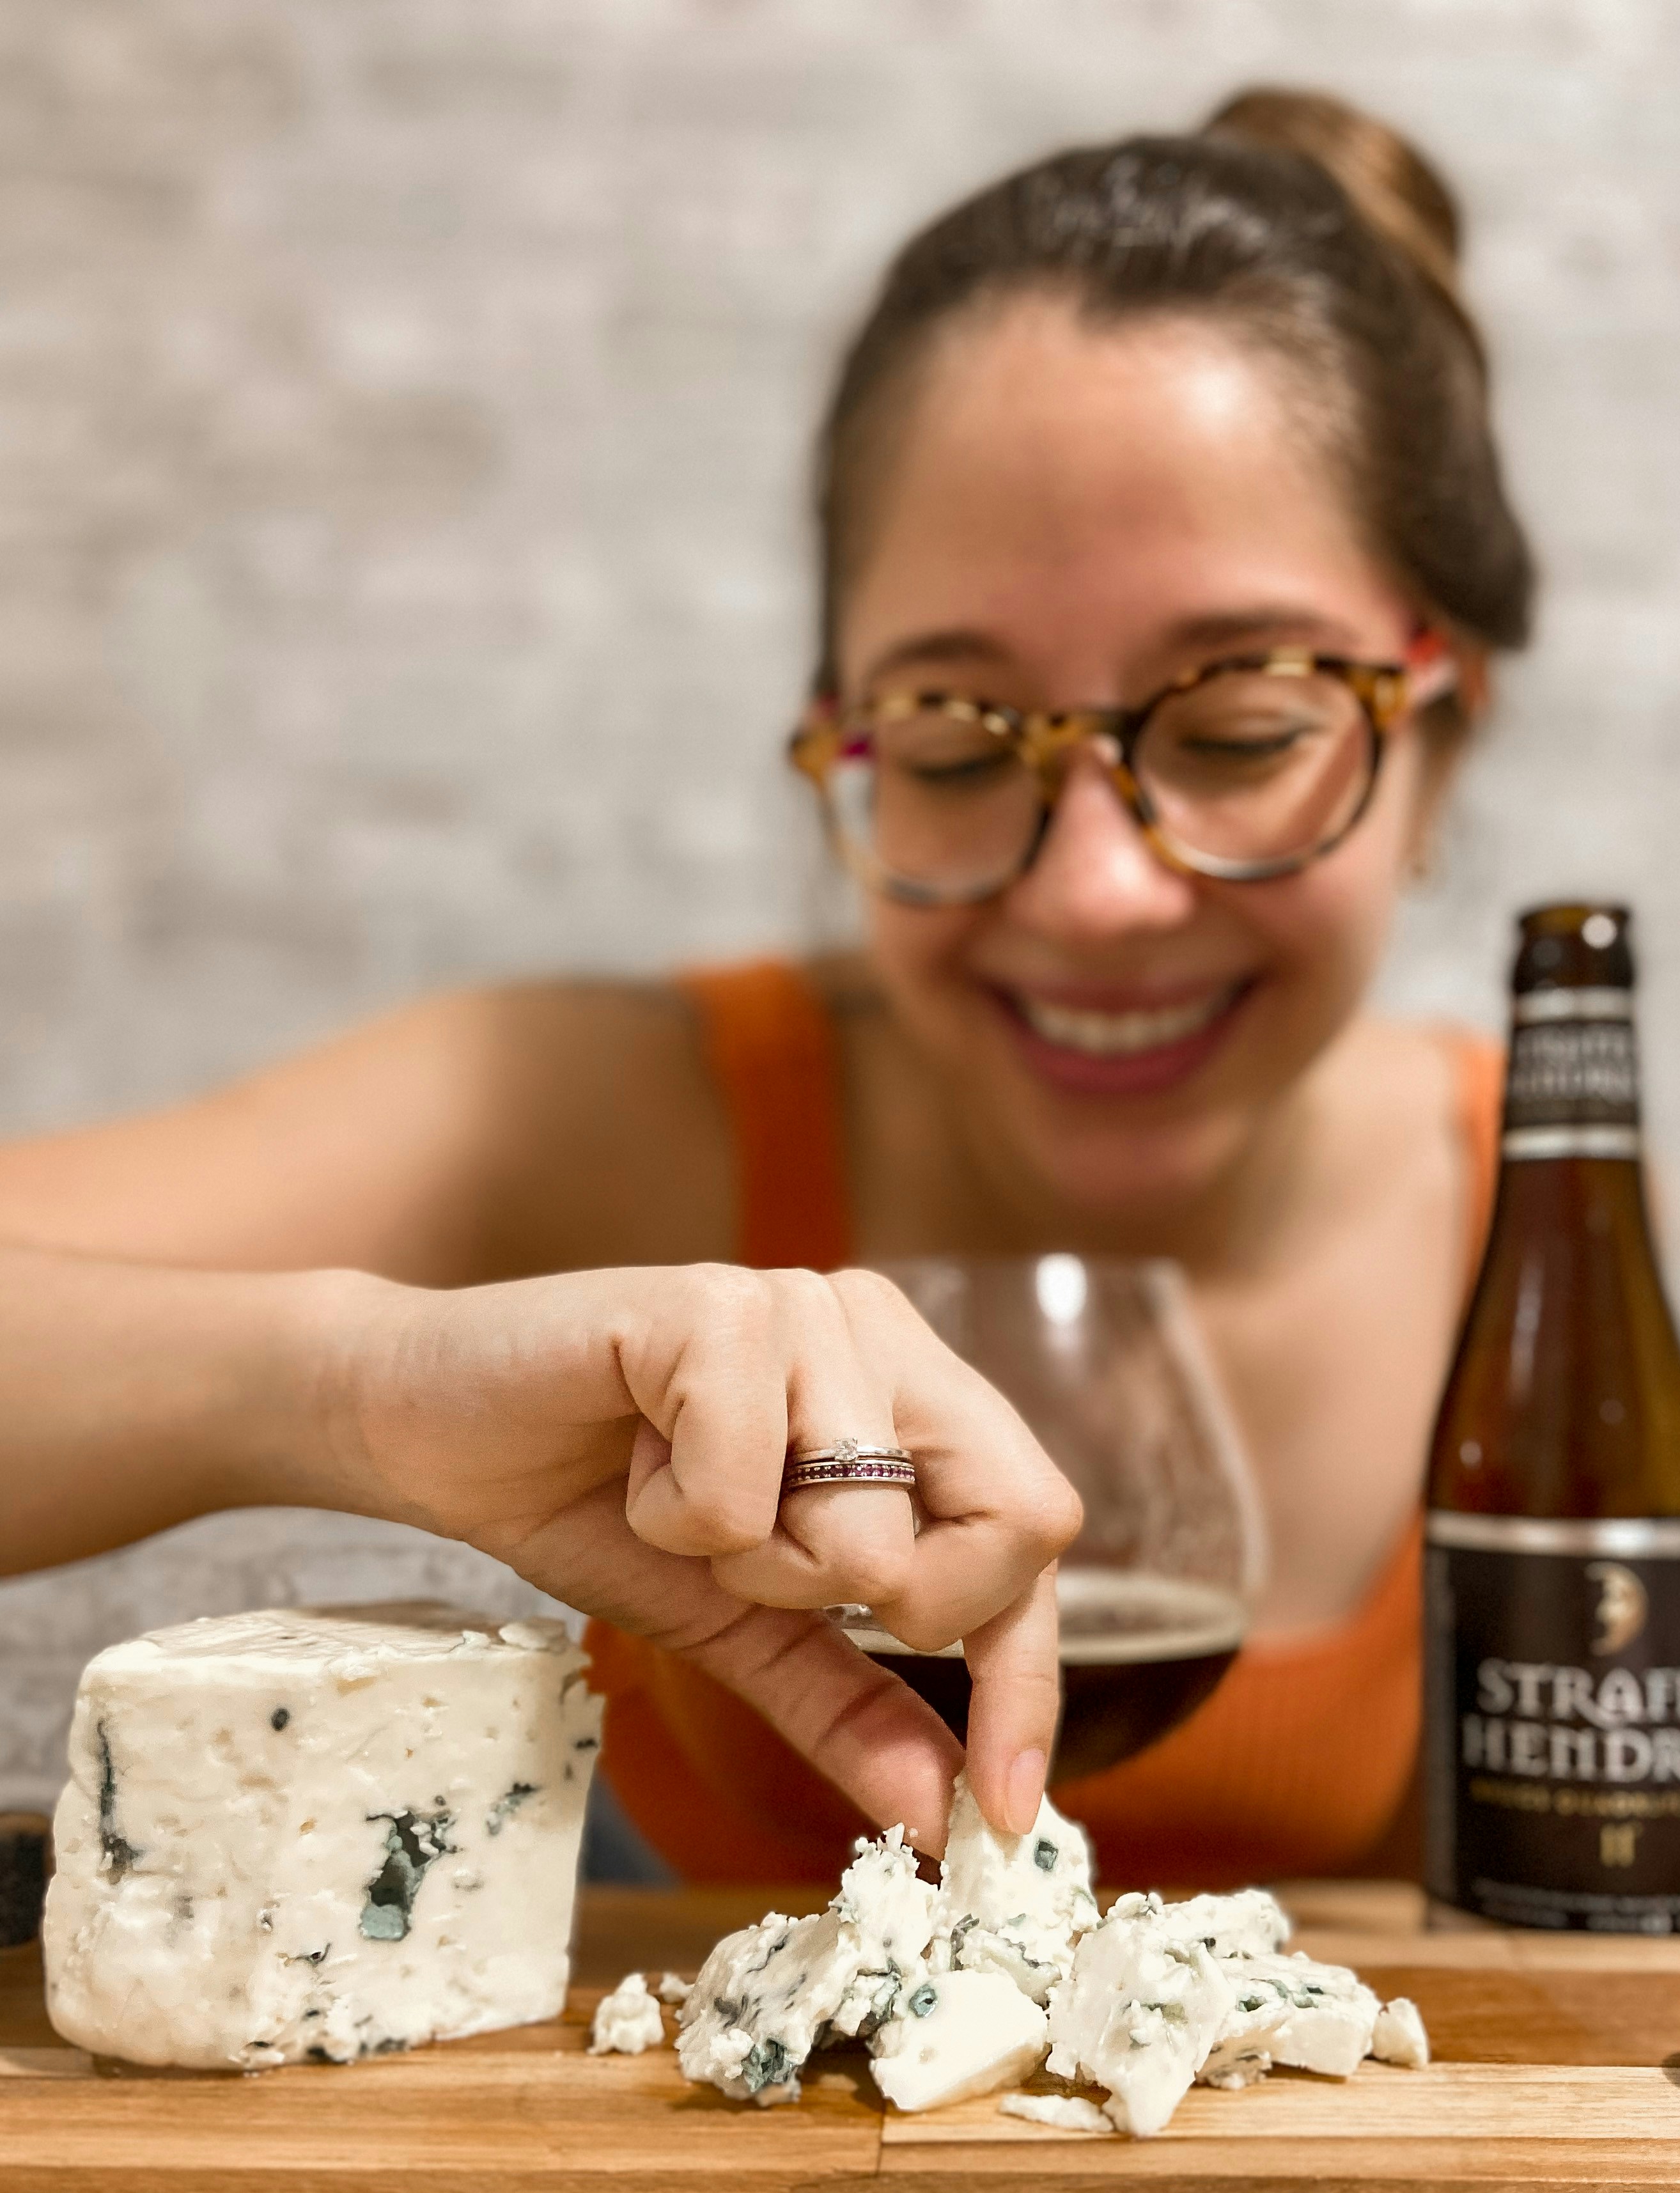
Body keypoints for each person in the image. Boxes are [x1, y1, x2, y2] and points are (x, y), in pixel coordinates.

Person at [0, 86, 1533, 1886]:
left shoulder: (1548, 1218)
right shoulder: (605, 1110)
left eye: (1241, 730)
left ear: (1444, 732)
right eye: (959, 750)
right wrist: (352, 1394)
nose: (1100, 890)